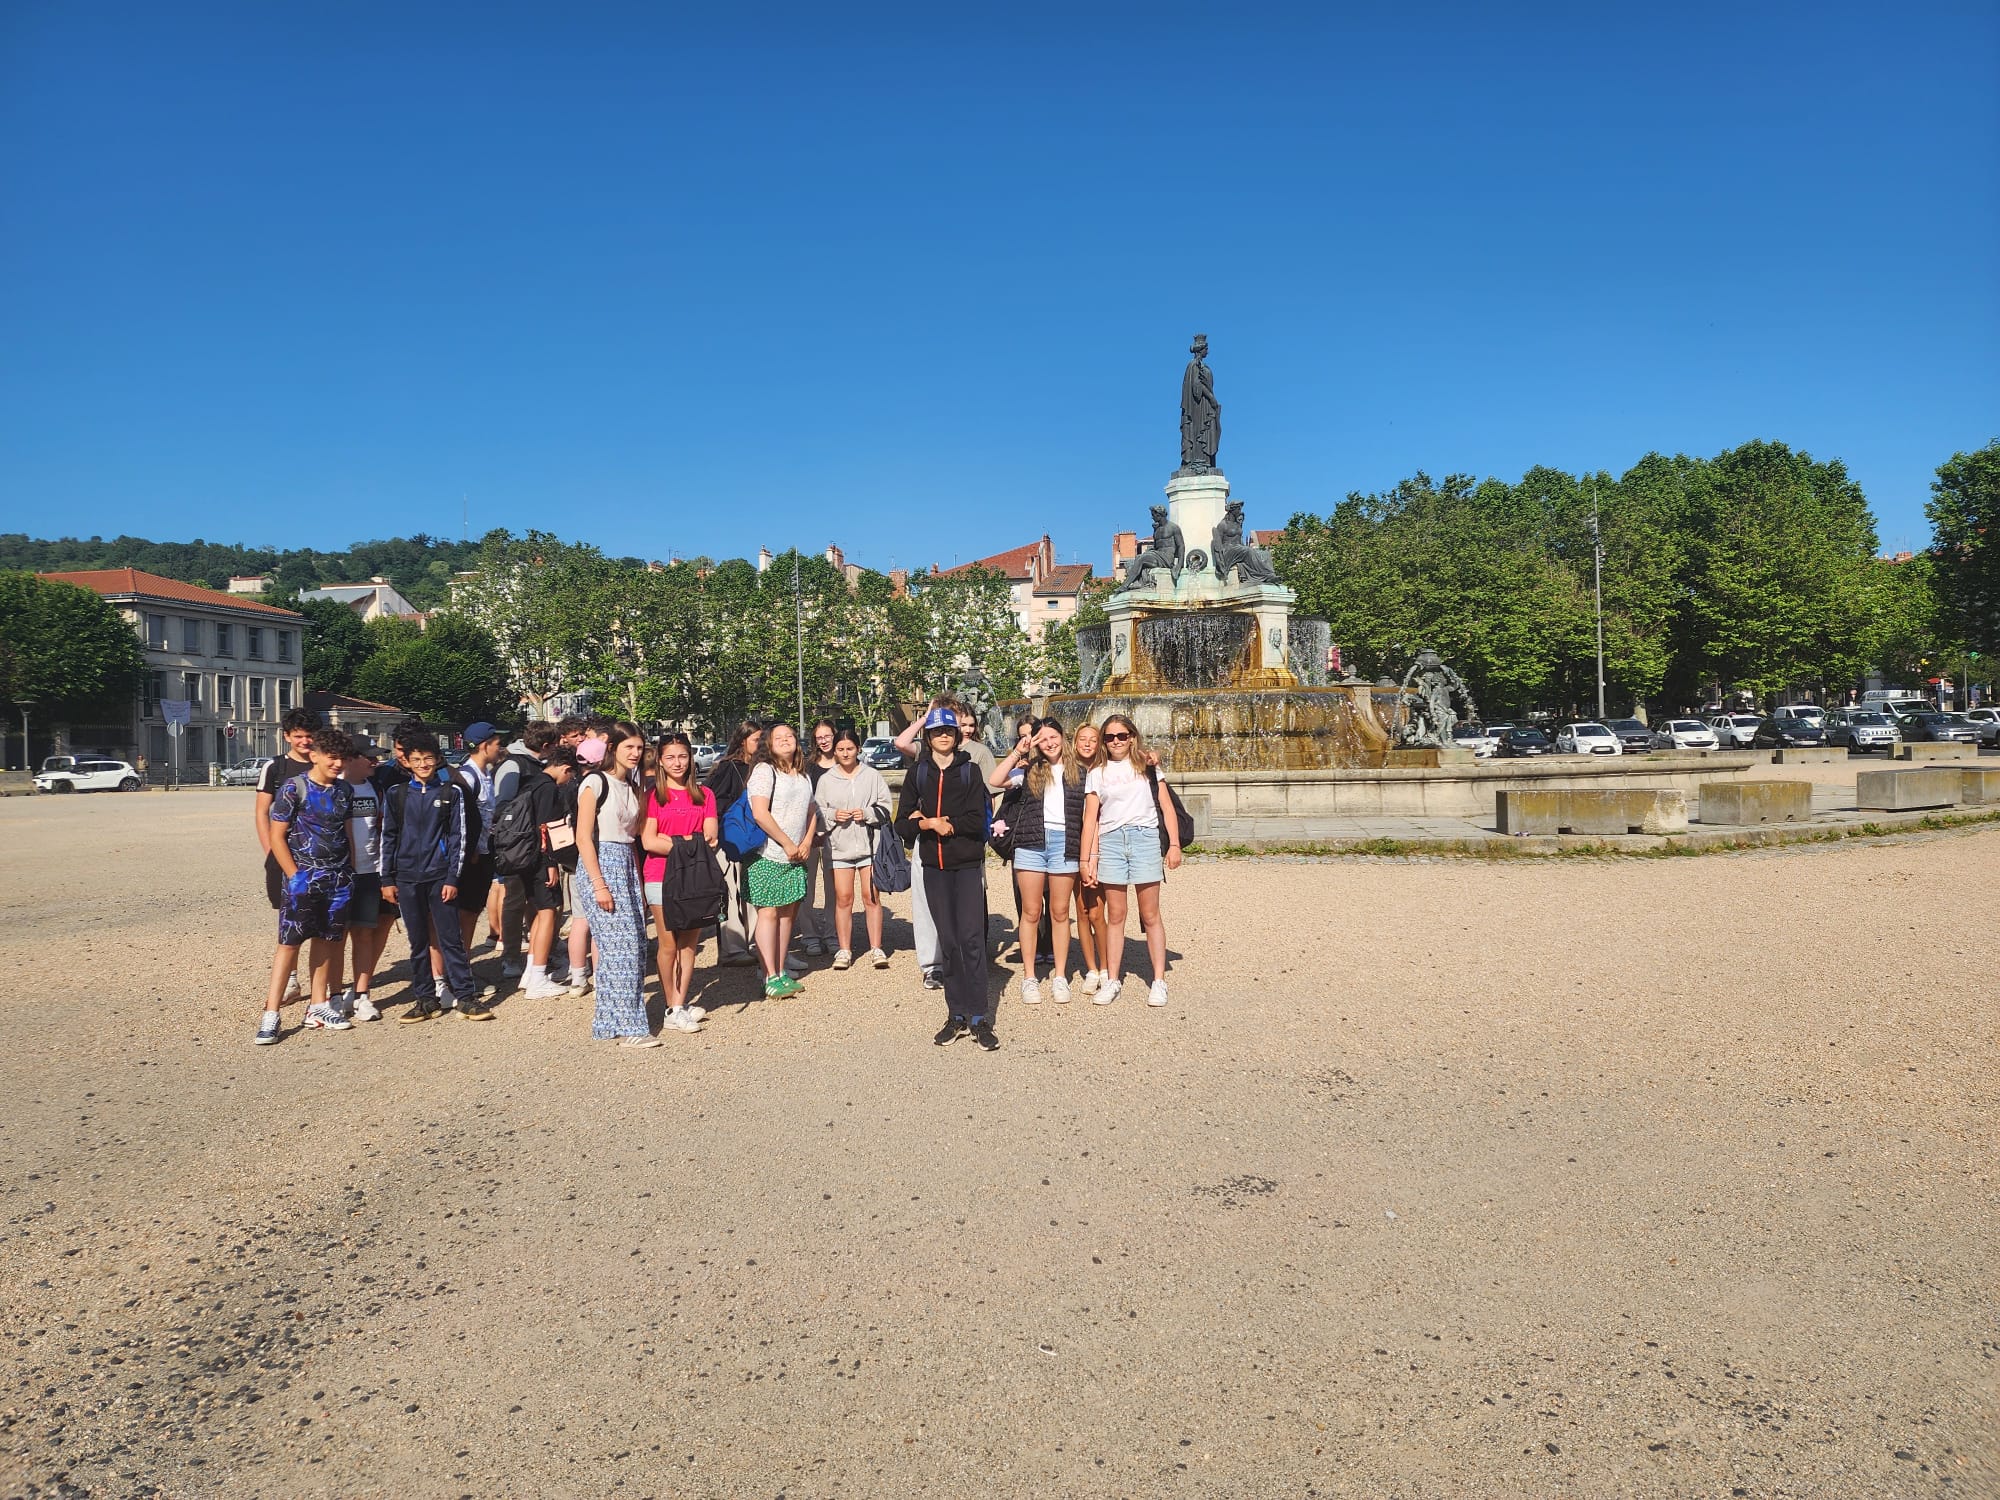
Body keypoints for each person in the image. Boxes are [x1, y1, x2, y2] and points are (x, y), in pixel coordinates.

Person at [895, 707, 998, 1052]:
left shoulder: (969, 771)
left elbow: (977, 820)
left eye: (948, 732)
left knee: (972, 939)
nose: (943, 736)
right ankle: (956, 1013)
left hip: (966, 865)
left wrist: (943, 822)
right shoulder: (918, 772)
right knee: (949, 942)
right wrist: (926, 824)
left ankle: (979, 1016)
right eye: (937, 731)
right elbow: (902, 824)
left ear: (957, 736)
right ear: (928, 736)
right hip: (934, 867)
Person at [255, 726, 357, 1043]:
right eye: (332, 757)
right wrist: (294, 875)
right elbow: (277, 835)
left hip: (337, 879)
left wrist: (351, 870)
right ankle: (271, 1013)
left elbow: (347, 833)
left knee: (326, 940)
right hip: (302, 878)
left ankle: (318, 1006)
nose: (338, 764)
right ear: (315, 755)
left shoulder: (345, 791)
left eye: (342, 758)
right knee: (289, 944)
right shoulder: (293, 788)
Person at [382, 734, 492, 1023]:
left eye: (428, 758)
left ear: (438, 759)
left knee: (450, 939)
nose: (423, 764)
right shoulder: (396, 794)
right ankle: (425, 999)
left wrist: (453, 878)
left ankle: (465, 996)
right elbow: (388, 837)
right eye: (416, 759)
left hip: (440, 876)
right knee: (417, 942)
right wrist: (386, 879)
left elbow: (459, 837)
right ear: (407, 762)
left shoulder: (451, 792)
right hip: (407, 877)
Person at [1079, 714, 1181, 1007]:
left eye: (1121, 736)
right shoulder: (1097, 772)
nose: (1116, 742)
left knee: (1150, 914)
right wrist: (1086, 860)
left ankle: (1158, 980)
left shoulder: (1147, 765)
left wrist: (1174, 845)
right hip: (1111, 841)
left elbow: (1167, 807)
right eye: (1109, 737)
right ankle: (1112, 980)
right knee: (1116, 915)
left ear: (1132, 737)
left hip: (1144, 838)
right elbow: (1090, 818)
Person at [991, 717, 1084, 1005]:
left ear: (1063, 737)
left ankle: (1060, 976)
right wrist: (1018, 752)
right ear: (1036, 743)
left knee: (1060, 913)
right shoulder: (1029, 769)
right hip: (1031, 845)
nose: (1049, 743)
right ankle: (1029, 977)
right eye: (1042, 739)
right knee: (1030, 913)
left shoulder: (1080, 772)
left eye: (1053, 736)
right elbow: (995, 781)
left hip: (1064, 845)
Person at [576, 722, 656, 1048]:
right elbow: (583, 837)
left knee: (630, 946)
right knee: (622, 948)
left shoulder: (633, 786)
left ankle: (609, 1022)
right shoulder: (595, 782)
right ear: (613, 748)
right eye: (629, 747)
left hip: (626, 863)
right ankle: (630, 1026)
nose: (635, 753)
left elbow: (633, 836)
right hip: (601, 863)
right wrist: (599, 884)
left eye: (639, 748)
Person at [641, 732, 720, 1032]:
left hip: (695, 877)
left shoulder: (705, 794)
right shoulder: (652, 796)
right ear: (660, 761)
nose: (677, 763)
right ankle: (672, 1006)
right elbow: (649, 841)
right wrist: (689, 841)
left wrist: (674, 841)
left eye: (683, 756)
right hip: (660, 876)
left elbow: (710, 838)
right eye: (671, 757)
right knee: (668, 944)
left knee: (689, 944)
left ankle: (679, 1002)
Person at [745, 722, 817, 1001]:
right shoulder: (765, 771)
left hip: (796, 855)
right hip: (767, 854)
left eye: (790, 735)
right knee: (769, 913)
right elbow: (760, 812)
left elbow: (812, 811)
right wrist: (787, 842)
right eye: (779, 737)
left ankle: (780, 968)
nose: (786, 740)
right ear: (768, 743)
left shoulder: (802, 774)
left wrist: (806, 842)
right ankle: (769, 974)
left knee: (788, 913)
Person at [253, 707, 320, 1003]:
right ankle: (291, 980)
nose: (304, 741)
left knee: (321, 919)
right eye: (298, 736)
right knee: (288, 919)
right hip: (284, 855)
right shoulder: (275, 767)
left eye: (309, 736)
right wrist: (271, 851)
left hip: (319, 856)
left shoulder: (325, 764)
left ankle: (322, 986)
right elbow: (261, 811)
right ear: (287, 736)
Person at [812, 728, 892, 969]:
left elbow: (886, 807)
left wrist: (867, 813)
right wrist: (833, 815)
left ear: (858, 749)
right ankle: (844, 949)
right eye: (841, 749)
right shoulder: (826, 780)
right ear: (834, 752)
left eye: (849, 749)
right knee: (843, 898)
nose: (845, 753)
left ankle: (876, 947)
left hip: (869, 846)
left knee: (871, 896)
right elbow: (816, 811)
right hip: (839, 848)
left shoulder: (872, 776)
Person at [491, 721, 557, 978]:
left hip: (537, 843)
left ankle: (540, 951)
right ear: (545, 745)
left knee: (539, 900)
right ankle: (510, 956)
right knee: (514, 901)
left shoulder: (536, 764)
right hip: (518, 845)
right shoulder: (513, 765)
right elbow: (503, 806)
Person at [516, 744, 580, 1000]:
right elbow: (545, 828)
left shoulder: (531, 783)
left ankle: (531, 972)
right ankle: (538, 978)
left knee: (540, 913)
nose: (569, 780)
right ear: (566, 768)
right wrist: (550, 862)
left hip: (526, 857)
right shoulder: (548, 788)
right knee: (548, 914)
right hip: (541, 858)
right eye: (570, 774)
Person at [704, 720, 768, 970]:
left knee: (752, 891)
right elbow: (712, 801)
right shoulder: (728, 768)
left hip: (755, 839)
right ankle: (732, 949)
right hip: (730, 839)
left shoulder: (762, 768)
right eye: (756, 740)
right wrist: (721, 830)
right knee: (730, 893)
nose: (760, 744)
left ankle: (753, 943)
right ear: (742, 741)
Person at [339, 743, 395, 1022]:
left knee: (363, 934)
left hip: (371, 870)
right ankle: (333, 995)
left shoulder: (376, 787)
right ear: (350, 758)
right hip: (342, 872)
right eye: (369, 757)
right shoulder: (337, 788)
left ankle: (361, 994)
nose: (375, 762)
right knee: (336, 938)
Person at [454, 722, 507, 962]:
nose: (500, 748)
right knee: (464, 912)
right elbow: (461, 818)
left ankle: (462, 963)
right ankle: (459, 965)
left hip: (484, 853)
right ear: (485, 746)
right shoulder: (467, 776)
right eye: (497, 744)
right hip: (471, 858)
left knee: (473, 911)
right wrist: (472, 851)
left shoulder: (486, 774)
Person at [1069, 721, 1112, 995]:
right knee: (1082, 911)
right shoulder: (1069, 773)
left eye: (1092, 739)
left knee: (1097, 911)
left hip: (1100, 846)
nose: (1087, 743)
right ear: (1074, 743)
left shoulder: (1105, 772)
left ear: (1099, 744)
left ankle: (1106, 967)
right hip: (1074, 844)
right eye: (1082, 739)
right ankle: (1091, 969)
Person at [799, 717, 841, 956]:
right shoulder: (808, 768)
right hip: (810, 834)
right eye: (819, 737)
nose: (824, 741)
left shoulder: (844, 764)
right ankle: (810, 935)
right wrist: (812, 832)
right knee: (807, 888)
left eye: (827, 736)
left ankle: (832, 933)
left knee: (834, 889)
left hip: (838, 835)